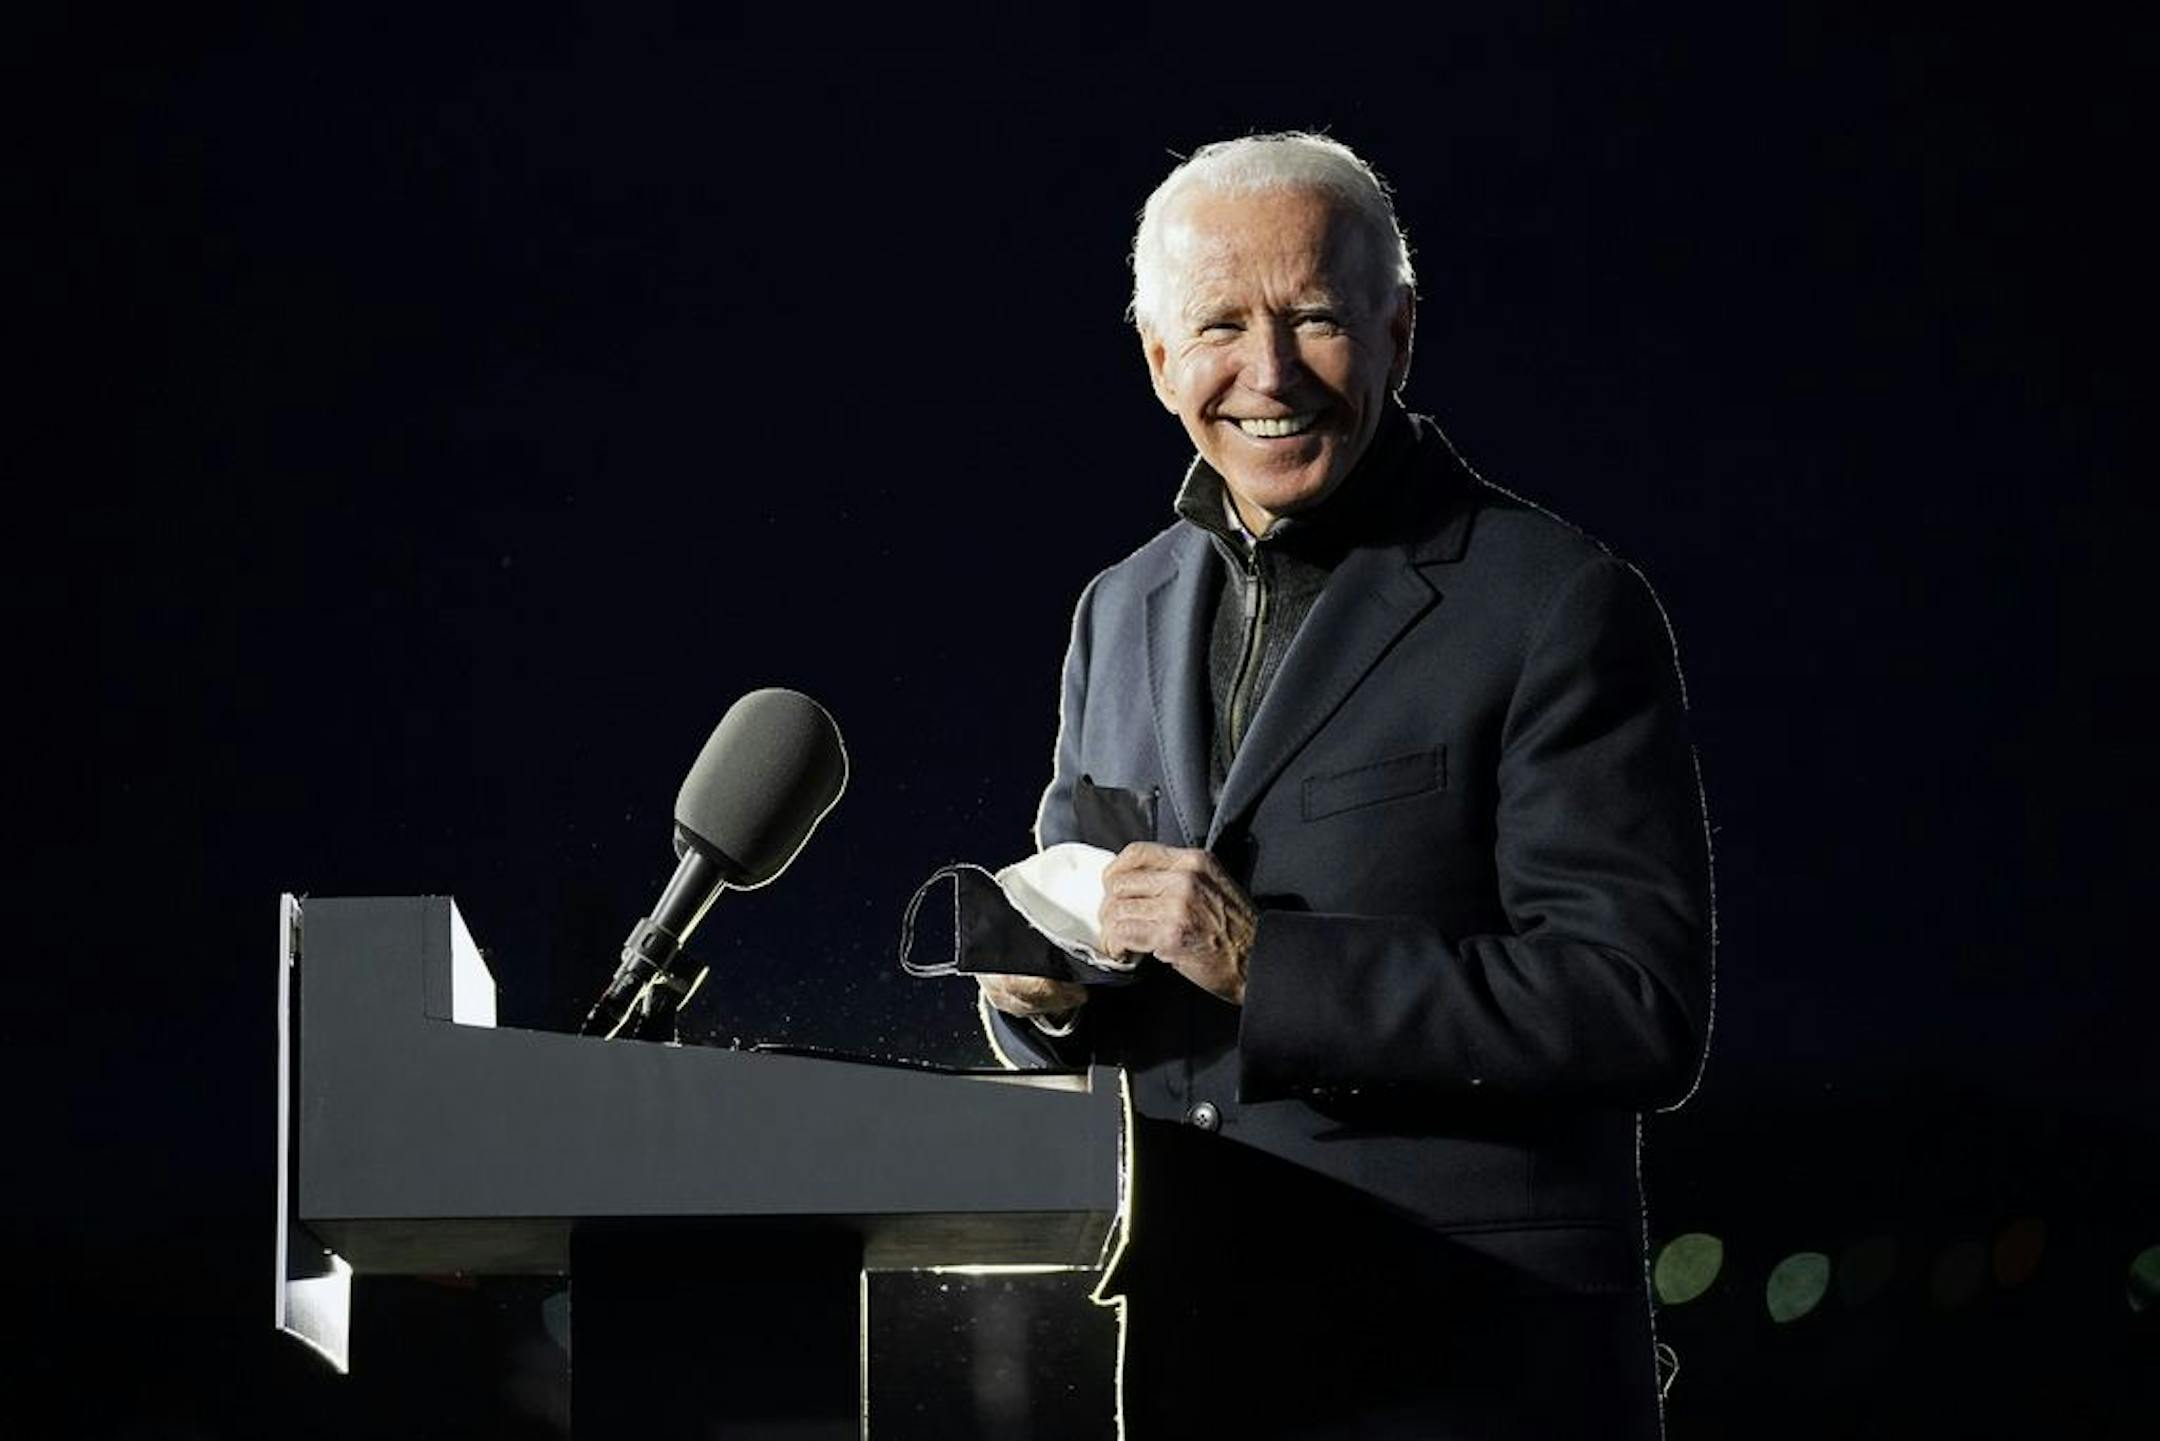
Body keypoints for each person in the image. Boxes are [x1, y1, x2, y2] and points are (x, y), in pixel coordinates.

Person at [976, 133, 1713, 1439]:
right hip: (1201, 1364)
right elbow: (1098, 950)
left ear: (1398, 333)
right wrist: (1044, 997)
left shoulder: (1559, 602)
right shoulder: (1119, 611)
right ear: (1157, 358)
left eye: (1313, 316)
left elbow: (1636, 1005)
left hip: (1477, 1373)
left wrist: (1270, 966)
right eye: (1217, 325)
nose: (1268, 374)